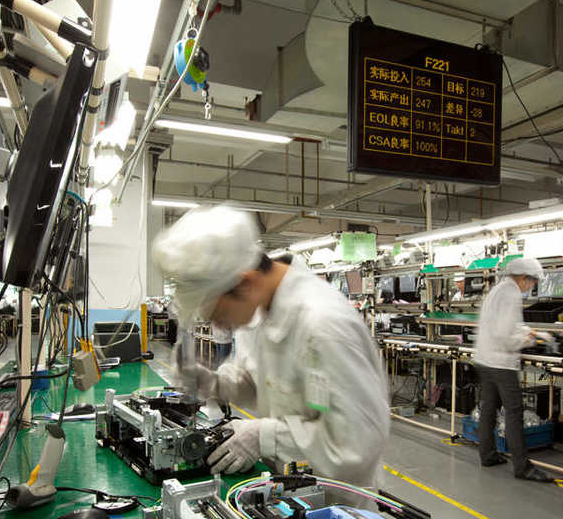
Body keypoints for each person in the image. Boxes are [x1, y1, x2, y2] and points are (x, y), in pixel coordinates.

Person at [152, 206, 390, 495]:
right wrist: (213, 383)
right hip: (287, 492)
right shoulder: (259, 310)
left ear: (247, 282)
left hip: (340, 508)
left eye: (216, 310)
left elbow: (355, 444)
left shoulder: (324, 324)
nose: (215, 322)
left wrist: (264, 437)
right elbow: (254, 382)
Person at [473, 258, 552, 482]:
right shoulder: (512, 294)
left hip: (485, 359)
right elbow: (505, 335)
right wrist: (529, 341)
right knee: (514, 413)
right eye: (533, 283)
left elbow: (504, 325)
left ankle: (487, 455)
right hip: (501, 363)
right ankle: (523, 467)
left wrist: (528, 331)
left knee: (488, 410)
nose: (532, 287)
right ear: (525, 278)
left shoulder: (498, 290)